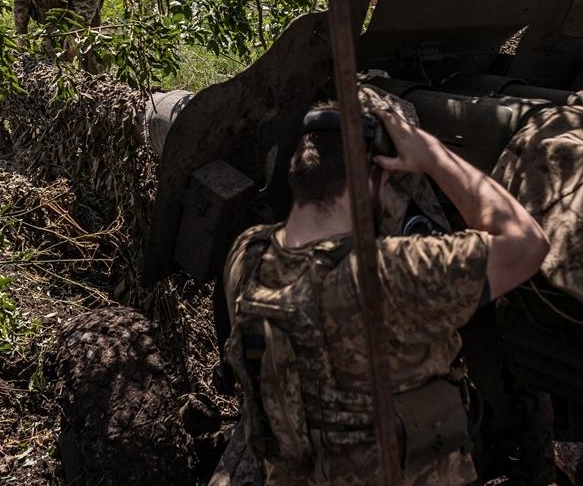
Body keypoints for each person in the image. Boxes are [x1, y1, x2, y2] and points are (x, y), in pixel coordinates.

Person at [223, 102, 550, 485]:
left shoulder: (248, 256)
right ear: (375, 179)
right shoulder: (393, 274)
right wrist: (432, 156)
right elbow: (527, 243)